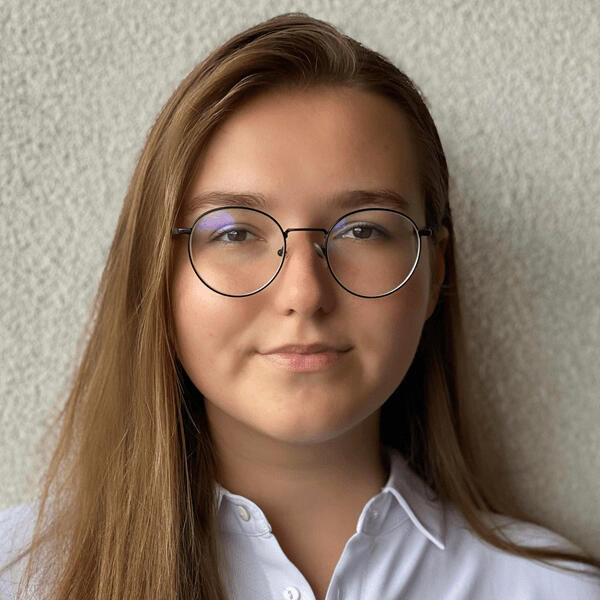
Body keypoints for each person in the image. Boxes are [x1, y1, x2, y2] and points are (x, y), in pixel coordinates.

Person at [1, 11, 599, 600]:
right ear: (155, 271)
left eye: (362, 230)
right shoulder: (19, 578)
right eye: (235, 232)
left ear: (434, 270)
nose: (304, 294)